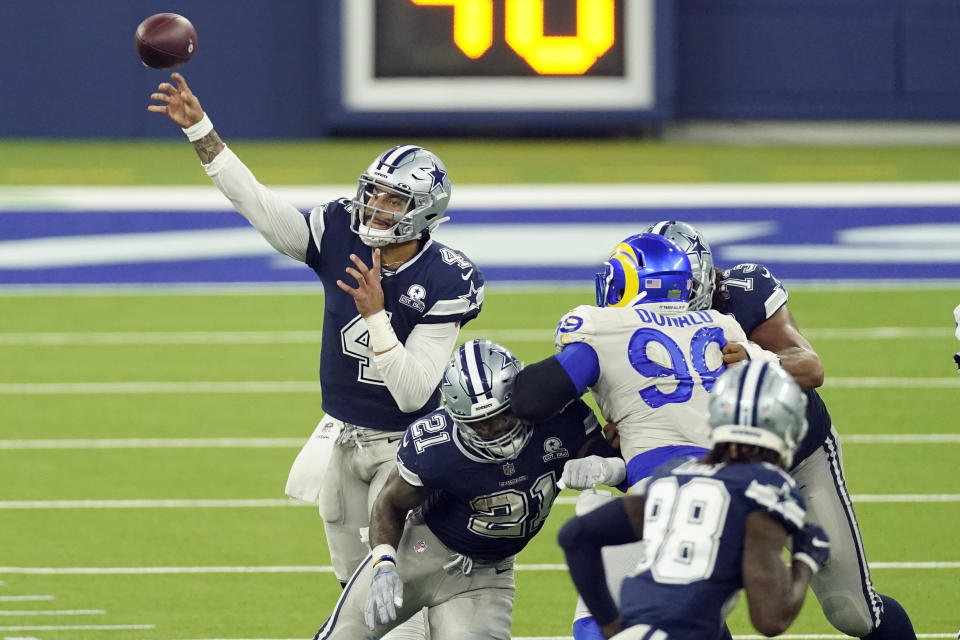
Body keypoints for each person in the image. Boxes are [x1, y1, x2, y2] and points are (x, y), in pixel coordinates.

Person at [149, 73, 485, 638]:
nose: (376, 207)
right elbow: (257, 205)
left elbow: (413, 391)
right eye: (374, 192)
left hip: (408, 446)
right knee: (353, 588)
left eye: (393, 199)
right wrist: (201, 132)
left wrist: (376, 313)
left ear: (425, 211)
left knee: (394, 597)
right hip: (343, 434)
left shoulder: (446, 276)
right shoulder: (337, 228)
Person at [638, 220, 916, 639]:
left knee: (853, 610)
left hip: (796, 459)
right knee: (695, 606)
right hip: (714, 474)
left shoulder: (744, 292)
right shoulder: (631, 319)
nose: (661, 301)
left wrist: (760, 361)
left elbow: (810, 366)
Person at [512, 232, 774, 640]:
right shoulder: (721, 324)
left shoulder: (603, 328)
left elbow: (530, 399)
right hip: (743, 496)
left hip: (671, 491)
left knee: (602, 619)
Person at [313, 339, 618, 639]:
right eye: (480, 424)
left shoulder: (563, 419)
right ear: (458, 419)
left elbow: (629, 468)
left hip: (487, 576)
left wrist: (608, 466)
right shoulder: (436, 446)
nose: (495, 431)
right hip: (421, 551)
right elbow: (391, 504)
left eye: (503, 415)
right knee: (343, 635)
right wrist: (384, 562)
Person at [558, 360, 831, 639]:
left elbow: (575, 536)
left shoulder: (674, 474)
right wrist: (806, 558)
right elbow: (770, 620)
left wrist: (609, 625)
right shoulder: (767, 489)